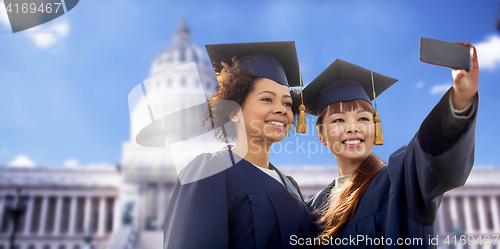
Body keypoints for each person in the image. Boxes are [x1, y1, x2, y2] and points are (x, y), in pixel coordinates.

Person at [304, 43, 478, 248]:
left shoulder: (400, 179)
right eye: (339, 120)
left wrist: (461, 99)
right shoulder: (313, 207)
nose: (353, 128)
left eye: (363, 119)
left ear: (375, 127)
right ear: (321, 136)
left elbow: (430, 150)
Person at [163, 41, 315, 249]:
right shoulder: (210, 171)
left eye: (287, 103)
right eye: (267, 99)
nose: (281, 109)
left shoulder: (291, 186)